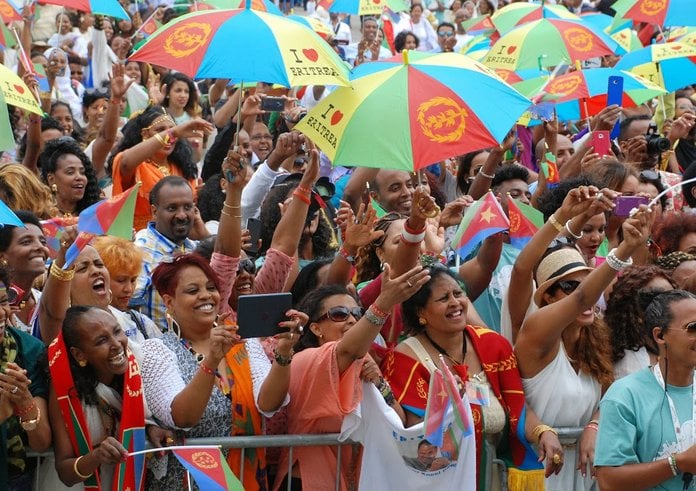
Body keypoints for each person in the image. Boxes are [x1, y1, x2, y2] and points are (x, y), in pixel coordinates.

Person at [514, 187, 653, 490]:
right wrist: (622, 251)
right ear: (548, 296)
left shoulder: (594, 338)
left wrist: (593, 425)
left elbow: (608, 396)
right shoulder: (535, 334)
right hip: (538, 470)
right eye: (570, 286)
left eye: (587, 279)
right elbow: (529, 271)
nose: (586, 294)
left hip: (583, 473)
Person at [383, 264, 564, 489]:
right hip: (439, 482)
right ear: (421, 313)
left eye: (458, 293)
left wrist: (544, 433)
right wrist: (448, 406)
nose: (455, 303)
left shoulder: (494, 345)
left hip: (494, 478)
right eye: (443, 298)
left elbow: (517, 407)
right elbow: (416, 433)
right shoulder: (406, 358)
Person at [140, 253, 295, 490]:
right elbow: (183, 418)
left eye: (211, 287)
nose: (206, 295)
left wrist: (284, 352)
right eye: (192, 291)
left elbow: (268, 403)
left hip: (248, 477)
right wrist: (212, 360)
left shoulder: (242, 341)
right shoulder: (157, 351)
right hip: (189, 482)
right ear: (169, 302)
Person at [273, 266, 428, 490]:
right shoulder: (303, 360)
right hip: (308, 481)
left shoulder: (361, 360)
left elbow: (397, 420)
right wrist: (384, 303)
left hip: (352, 479)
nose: (351, 320)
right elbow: (346, 350)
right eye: (339, 314)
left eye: (357, 314)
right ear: (316, 328)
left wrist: (379, 383)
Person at [47, 306, 171, 490]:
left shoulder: (135, 370)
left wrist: (148, 427)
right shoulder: (64, 391)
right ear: (79, 354)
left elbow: (129, 419)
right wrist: (96, 456)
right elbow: (65, 473)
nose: (117, 344)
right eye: (101, 340)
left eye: (117, 331)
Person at [595, 290, 696, 490]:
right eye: (693, 328)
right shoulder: (625, 395)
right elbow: (608, 479)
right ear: (659, 335)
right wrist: (678, 463)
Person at [109, 106, 212, 231]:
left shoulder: (182, 167)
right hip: (141, 241)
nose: (169, 137)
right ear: (145, 134)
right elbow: (124, 163)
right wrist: (173, 132)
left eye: (172, 130)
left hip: (180, 237)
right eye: (160, 130)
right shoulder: (137, 165)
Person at [131, 176, 206, 330]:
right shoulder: (141, 249)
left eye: (187, 207)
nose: (181, 215)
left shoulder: (193, 247)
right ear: (154, 211)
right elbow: (127, 304)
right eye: (172, 208)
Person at [0, 265, 51, 490]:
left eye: (2, 302)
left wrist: (24, 401)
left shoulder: (28, 349)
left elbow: (41, 444)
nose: (2, 313)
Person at [604, 265, 676, 379]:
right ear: (630, 307)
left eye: (672, 297)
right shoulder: (628, 364)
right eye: (652, 298)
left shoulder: (679, 350)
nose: (666, 305)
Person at [92, 235, 160, 340]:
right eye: (121, 280)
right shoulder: (87, 325)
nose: (128, 289)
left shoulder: (142, 323)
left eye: (133, 280)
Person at [0, 211, 50, 336]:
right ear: (2, 256)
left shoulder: (47, 301)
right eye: (26, 242)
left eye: (43, 242)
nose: (40, 247)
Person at [38, 136, 100, 218]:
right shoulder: (41, 215)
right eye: (70, 172)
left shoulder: (96, 213)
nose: (79, 177)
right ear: (51, 179)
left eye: (82, 172)